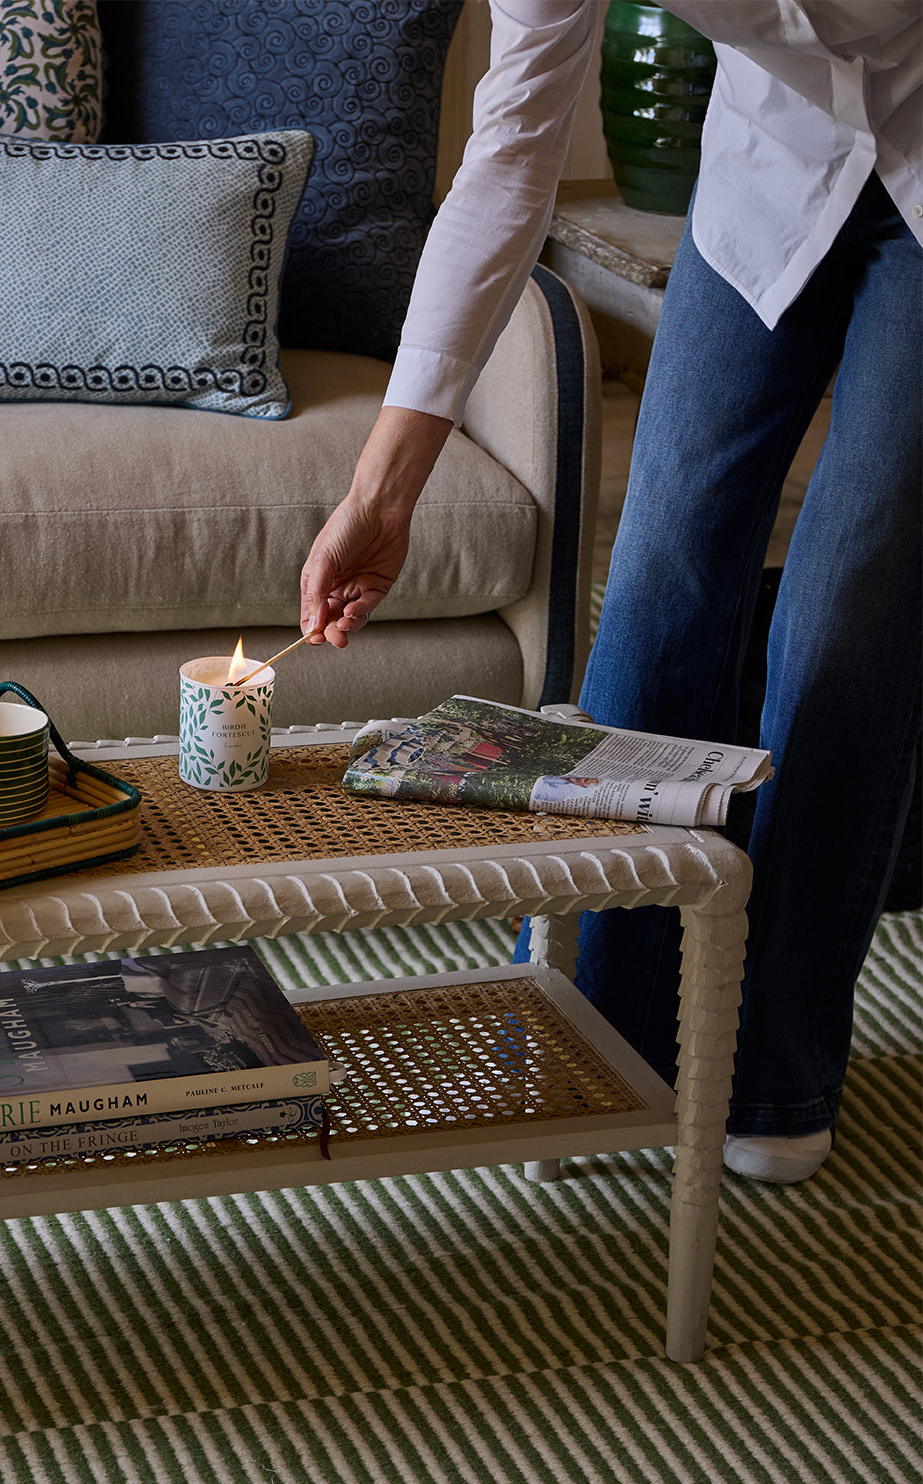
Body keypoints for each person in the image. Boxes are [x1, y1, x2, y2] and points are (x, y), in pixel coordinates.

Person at [298, 2, 922, 1184]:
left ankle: (778, 1068)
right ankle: (598, 1034)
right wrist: (384, 491)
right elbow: (507, 160)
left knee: (849, 620)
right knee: (658, 584)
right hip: (774, 163)